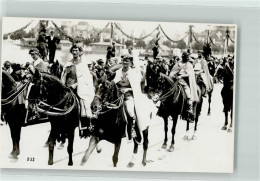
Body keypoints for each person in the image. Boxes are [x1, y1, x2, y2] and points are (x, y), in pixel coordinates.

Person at [111, 54, 149, 144]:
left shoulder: (133, 73)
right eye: (124, 60)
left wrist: (127, 90)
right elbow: (114, 82)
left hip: (128, 96)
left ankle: (132, 130)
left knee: (130, 111)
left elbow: (135, 87)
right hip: (117, 95)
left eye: (127, 61)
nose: (125, 62)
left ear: (130, 62)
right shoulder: (118, 72)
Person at [61, 44, 95, 135]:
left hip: (80, 87)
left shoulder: (83, 64)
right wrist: (63, 85)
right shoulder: (69, 63)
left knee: (83, 105)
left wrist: (76, 85)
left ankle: (87, 126)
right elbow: (64, 76)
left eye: (77, 50)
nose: (75, 52)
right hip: (67, 87)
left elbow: (85, 78)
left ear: (80, 52)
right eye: (73, 50)